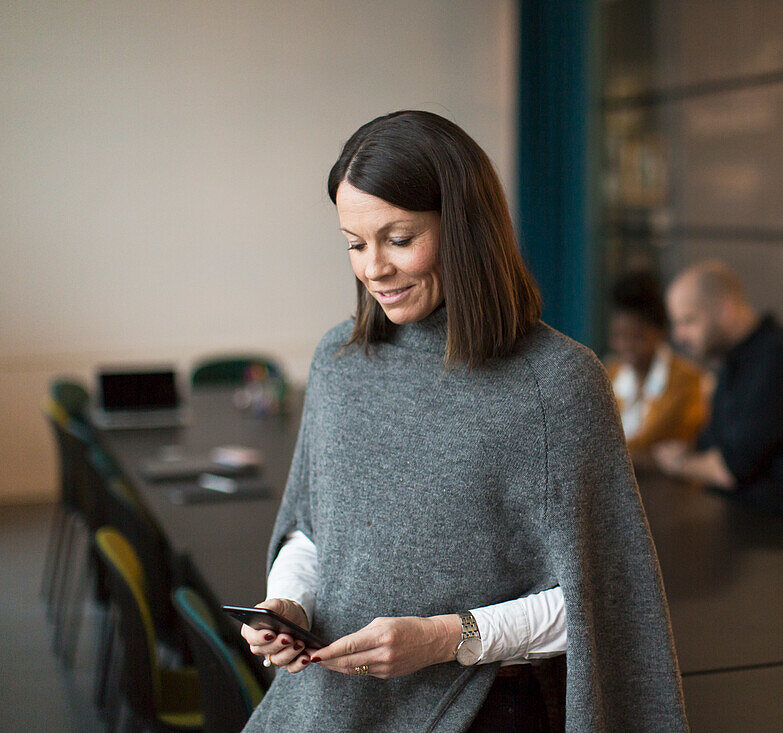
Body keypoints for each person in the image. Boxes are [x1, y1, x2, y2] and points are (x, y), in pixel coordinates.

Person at [239, 111, 687, 732]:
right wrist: (290, 602)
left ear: (466, 231)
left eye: (399, 239)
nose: (373, 269)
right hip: (331, 702)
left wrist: (448, 638)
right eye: (354, 242)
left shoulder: (555, 384)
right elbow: (313, 532)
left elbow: (602, 603)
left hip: (485, 711)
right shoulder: (340, 362)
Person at [653, 261, 783, 518]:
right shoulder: (734, 359)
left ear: (727, 310)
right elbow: (712, 446)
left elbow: (729, 470)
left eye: (688, 321)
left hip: (776, 531)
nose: (678, 336)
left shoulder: (780, 359)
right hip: (742, 520)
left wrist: (678, 463)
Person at [605, 271, 708, 465]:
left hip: (669, 492)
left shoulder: (687, 380)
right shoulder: (608, 375)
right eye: (619, 336)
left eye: (636, 337)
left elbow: (682, 451)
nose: (625, 346)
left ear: (660, 332)